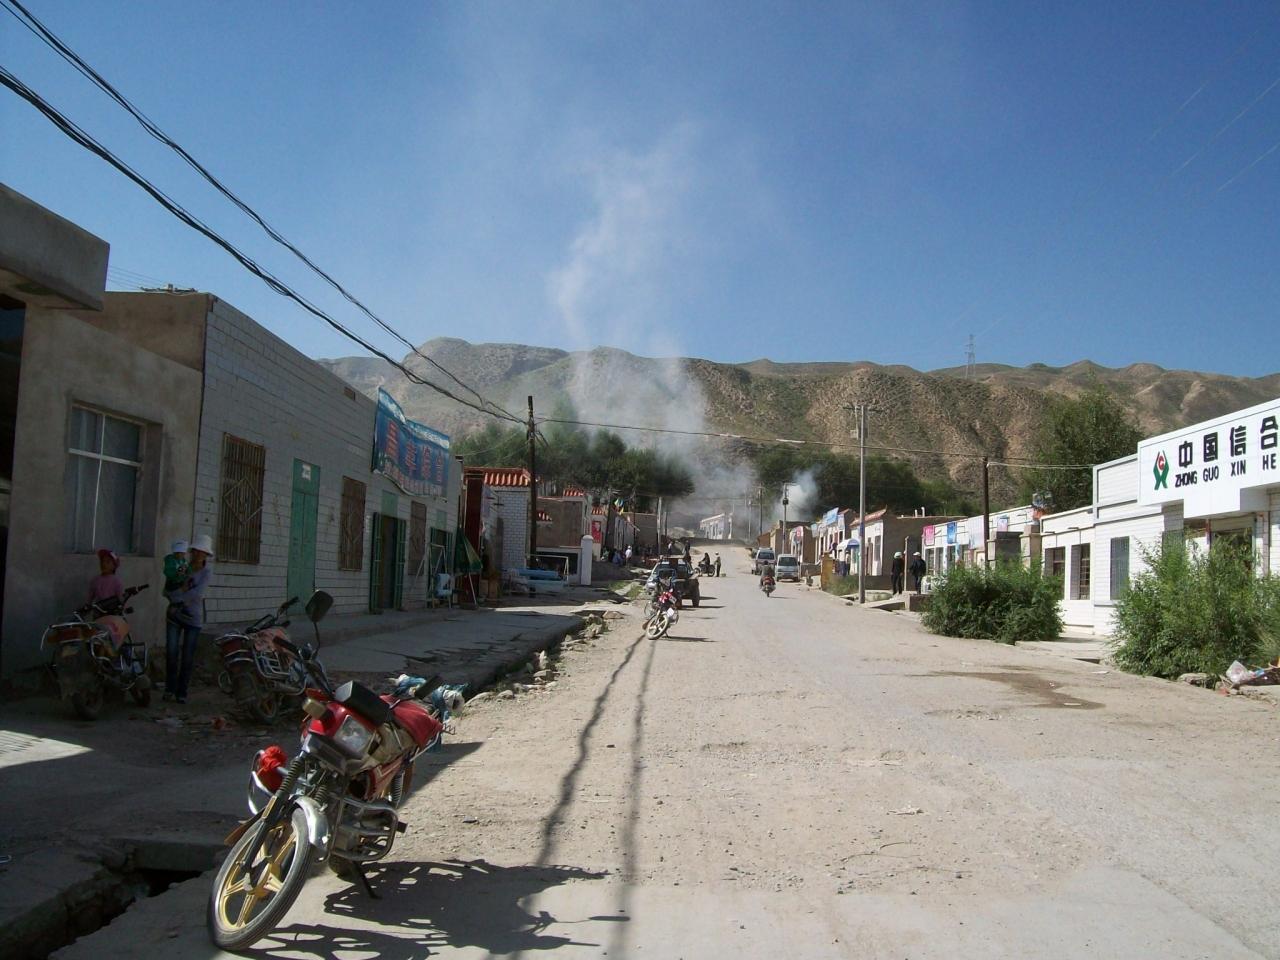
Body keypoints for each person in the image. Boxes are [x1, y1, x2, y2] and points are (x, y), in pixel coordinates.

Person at [164, 533, 213, 704]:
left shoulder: (207, 572)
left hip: (193, 618)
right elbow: (167, 590)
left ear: (206, 555)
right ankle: (169, 688)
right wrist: (179, 593)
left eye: (202, 552)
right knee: (171, 652)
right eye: (196, 551)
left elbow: (197, 594)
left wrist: (178, 596)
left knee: (187, 656)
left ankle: (182, 691)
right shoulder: (182, 567)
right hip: (174, 615)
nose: (198, 554)